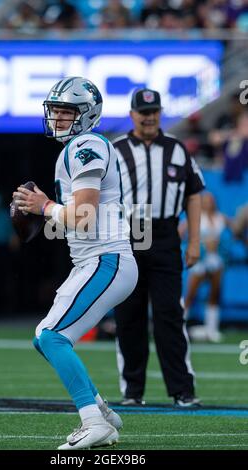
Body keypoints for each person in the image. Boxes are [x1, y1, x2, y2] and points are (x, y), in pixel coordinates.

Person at [13, 76, 138, 450]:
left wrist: (44, 207)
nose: (59, 118)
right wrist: (42, 207)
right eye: (56, 111)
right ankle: (102, 411)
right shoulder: (76, 147)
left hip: (107, 258)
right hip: (92, 262)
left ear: (88, 115)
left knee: (53, 337)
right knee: (43, 338)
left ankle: (92, 421)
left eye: (67, 111)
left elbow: (82, 215)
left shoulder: (87, 144)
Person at [113, 87, 205, 407]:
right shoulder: (115, 150)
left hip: (165, 232)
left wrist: (194, 240)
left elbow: (194, 193)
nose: (149, 117)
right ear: (132, 114)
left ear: (160, 113)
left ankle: (182, 390)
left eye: (154, 112)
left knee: (169, 315)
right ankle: (132, 390)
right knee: (129, 315)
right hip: (129, 231)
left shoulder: (178, 149)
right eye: (143, 112)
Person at [182, 192, 226, 343]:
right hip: (199, 260)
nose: (208, 203)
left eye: (210, 200)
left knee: (214, 294)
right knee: (190, 295)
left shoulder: (221, 218)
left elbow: (235, 232)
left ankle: (212, 329)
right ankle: (179, 327)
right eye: (205, 200)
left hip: (215, 260)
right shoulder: (195, 217)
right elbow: (181, 232)